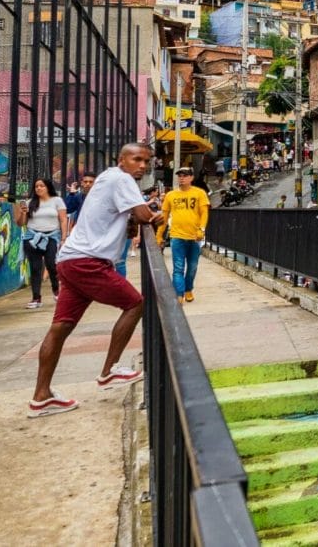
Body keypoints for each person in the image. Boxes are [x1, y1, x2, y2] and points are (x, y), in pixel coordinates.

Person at [28, 144, 162, 417]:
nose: (142, 166)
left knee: (60, 328)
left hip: (69, 260)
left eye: (146, 161)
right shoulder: (122, 178)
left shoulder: (107, 178)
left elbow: (126, 223)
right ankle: (109, 371)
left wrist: (137, 219)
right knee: (136, 303)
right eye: (137, 159)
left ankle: (41, 397)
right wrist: (156, 216)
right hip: (87, 262)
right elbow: (142, 216)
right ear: (121, 159)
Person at [159, 166, 210, 304]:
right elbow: (164, 216)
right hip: (177, 236)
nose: (182, 177)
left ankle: (188, 289)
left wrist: (202, 229)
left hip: (194, 237)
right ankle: (179, 294)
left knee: (192, 267)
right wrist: (159, 235)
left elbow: (204, 212)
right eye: (180, 175)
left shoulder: (199, 193)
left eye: (185, 175)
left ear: (191, 177)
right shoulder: (171, 195)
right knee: (178, 267)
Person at [17, 177, 68, 309]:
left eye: (41, 186)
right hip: (32, 237)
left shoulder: (57, 201)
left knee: (51, 264)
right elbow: (20, 223)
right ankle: (36, 298)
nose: (38, 188)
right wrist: (23, 213)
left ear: (48, 187)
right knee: (35, 268)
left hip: (52, 237)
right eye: (36, 186)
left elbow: (63, 220)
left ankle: (56, 290)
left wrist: (63, 238)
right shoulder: (29, 203)